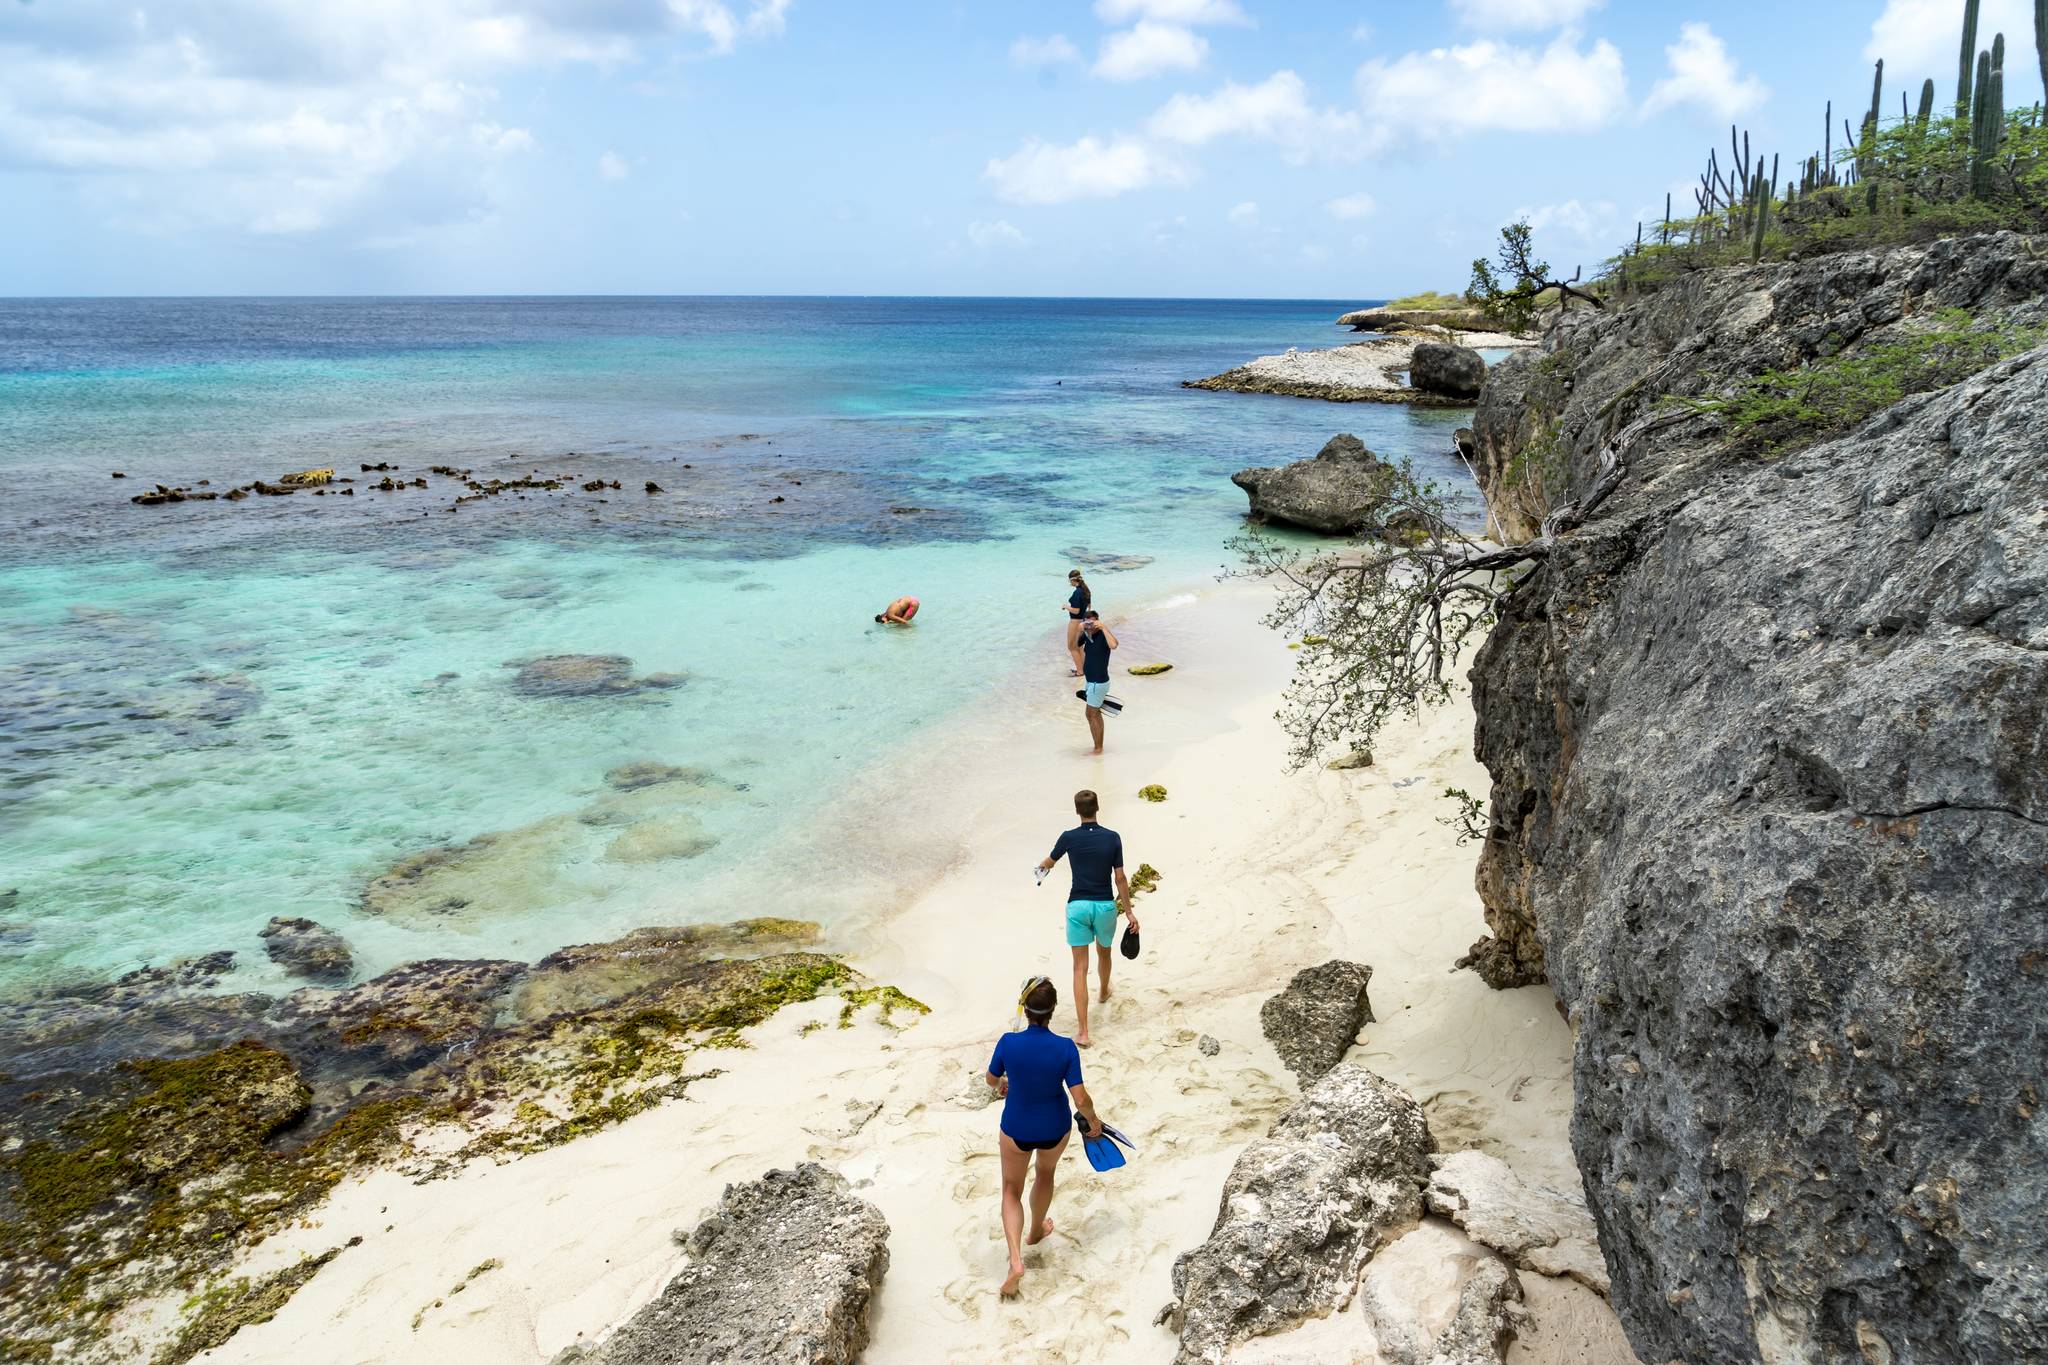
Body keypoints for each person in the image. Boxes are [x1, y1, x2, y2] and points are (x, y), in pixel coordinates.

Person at [986, 975, 1102, 1299]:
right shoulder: (1066, 1048)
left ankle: (1015, 1262)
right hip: (1054, 1127)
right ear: (1052, 1011)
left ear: (1025, 1009)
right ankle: (1036, 1230)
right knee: (1045, 1173)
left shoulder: (1008, 1042)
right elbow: (1080, 1098)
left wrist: (1002, 1084)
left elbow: (991, 1079)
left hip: (1017, 1126)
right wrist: (1093, 1121)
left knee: (1011, 1189)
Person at [1036, 789, 1137, 1047]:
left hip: (1078, 906)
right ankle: (1103, 991)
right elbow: (1120, 878)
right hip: (1104, 906)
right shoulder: (1113, 837)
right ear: (1097, 808)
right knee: (1105, 953)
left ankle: (1083, 1032)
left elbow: (1048, 862)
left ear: (1077, 811)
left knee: (1079, 968)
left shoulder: (1068, 838)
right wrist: (1128, 911)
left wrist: (1039, 869)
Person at [1075, 610, 1117, 754]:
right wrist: (1079, 629)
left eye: (1092, 622)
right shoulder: (1087, 635)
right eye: (1087, 623)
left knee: (1090, 714)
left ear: (1098, 621)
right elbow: (1074, 645)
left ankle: (1098, 749)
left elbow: (1114, 645)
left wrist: (1104, 627)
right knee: (1095, 713)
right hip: (1091, 682)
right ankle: (1098, 747)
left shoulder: (1103, 635)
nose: (1090, 626)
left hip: (1098, 683)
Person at [1062, 570, 1091, 677]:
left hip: (1075, 622)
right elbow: (1088, 607)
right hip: (1083, 621)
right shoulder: (1086, 591)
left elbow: (1076, 610)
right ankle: (1084, 669)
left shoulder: (1077, 593)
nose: (1070, 583)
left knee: (1072, 647)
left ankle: (1080, 671)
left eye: (1070, 581)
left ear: (1074, 580)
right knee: (1079, 647)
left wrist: (1066, 607)